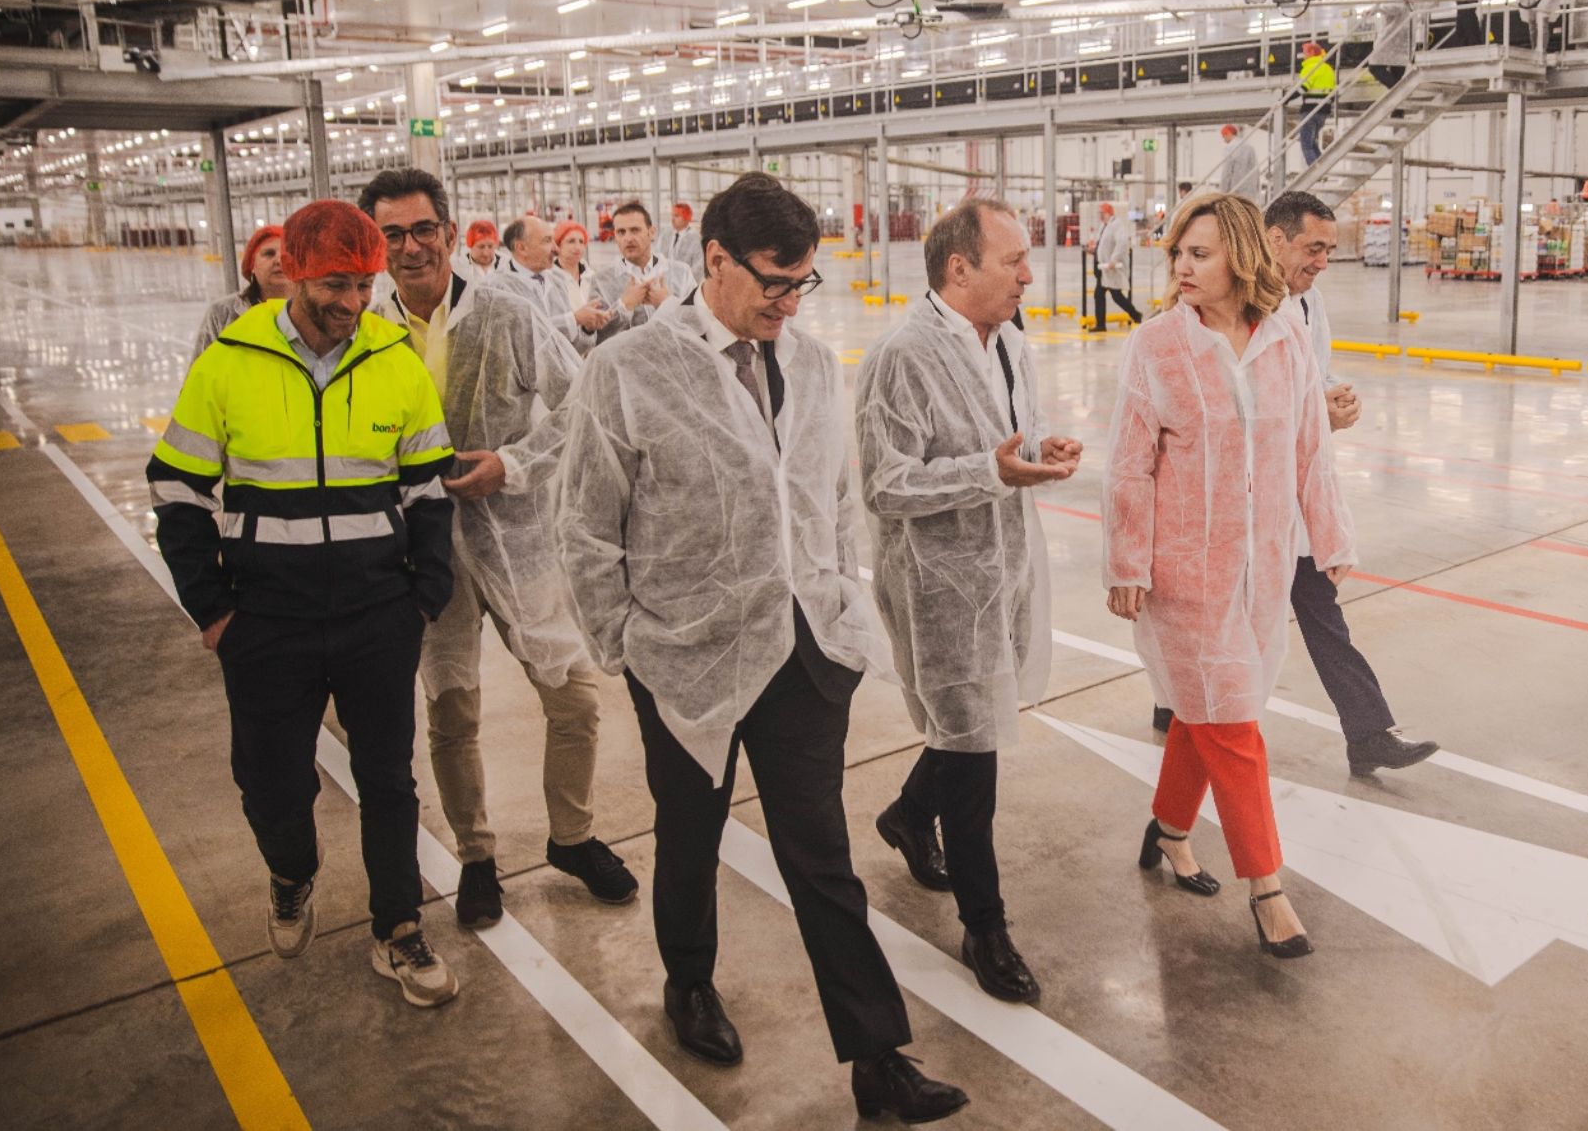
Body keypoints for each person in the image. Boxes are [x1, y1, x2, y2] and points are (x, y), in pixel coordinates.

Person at [553, 172, 967, 1123]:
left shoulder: (814, 365)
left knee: (821, 855)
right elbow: (586, 525)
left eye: (802, 282)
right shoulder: (630, 368)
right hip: (683, 654)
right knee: (689, 834)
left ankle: (877, 1055)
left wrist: (840, 607)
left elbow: (829, 499)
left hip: (802, 650)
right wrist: (625, 646)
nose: (790, 302)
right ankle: (689, 981)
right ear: (715, 261)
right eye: (775, 282)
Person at [145, 200, 461, 1006]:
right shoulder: (230, 360)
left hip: (378, 615)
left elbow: (428, 488)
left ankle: (398, 927)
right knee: (272, 782)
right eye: (335, 284)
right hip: (266, 621)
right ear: (292, 271)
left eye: (363, 284)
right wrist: (213, 610)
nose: (353, 302)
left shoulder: (393, 358)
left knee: (389, 780)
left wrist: (424, 596)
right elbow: (177, 489)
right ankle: (291, 872)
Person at [360, 167, 638, 931]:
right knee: (451, 711)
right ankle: (477, 855)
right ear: (376, 246)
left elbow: (581, 404)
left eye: (424, 229)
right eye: (392, 234)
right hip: (422, 552)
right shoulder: (367, 332)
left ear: (450, 234)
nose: (411, 247)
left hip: (517, 534)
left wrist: (511, 465)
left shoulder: (506, 311)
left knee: (574, 697)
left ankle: (571, 836)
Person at [1102, 191, 1357, 961]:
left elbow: (1310, 447)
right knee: (1234, 724)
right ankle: (1267, 887)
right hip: (1183, 573)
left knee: (1206, 709)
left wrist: (1331, 536)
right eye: (1178, 253)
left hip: (1262, 568)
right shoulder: (1156, 346)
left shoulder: (1286, 338)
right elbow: (1129, 465)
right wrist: (1126, 561)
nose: (1182, 267)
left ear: (1239, 257)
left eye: (1200, 253)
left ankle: (1169, 829)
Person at [856, 198, 1081, 1007]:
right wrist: (991, 470)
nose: (1028, 276)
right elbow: (885, 483)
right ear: (959, 268)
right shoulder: (902, 357)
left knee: (969, 727)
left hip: (1002, 568)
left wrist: (1041, 446)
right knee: (974, 751)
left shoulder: (1009, 341)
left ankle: (908, 815)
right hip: (939, 586)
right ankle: (985, 926)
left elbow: (1010, 435)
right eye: (1013, 261)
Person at [1151, 192, 1438, 777]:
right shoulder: (1219, 310)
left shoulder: (1309, 305)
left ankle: (1368, 731)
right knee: (1213, 629)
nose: (1323, 262)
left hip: (1287, 500)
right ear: (1275, 240)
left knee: (1320, 609)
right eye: (1314, 248)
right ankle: (1177, 708)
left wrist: (1333, 401)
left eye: (1329, 250)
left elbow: (1313, 376)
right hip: (1230, 511)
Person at [499, 213, 608, 353]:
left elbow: (571, 349)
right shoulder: (497, 289)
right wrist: (574, 319)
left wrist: (587, 329)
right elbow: (518, 341)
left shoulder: (557, 281)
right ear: (521, 248)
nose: (556, 249)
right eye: (547, 241)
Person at [590, 201, 695, 343]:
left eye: (635, 230)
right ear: (615, 236)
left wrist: (668, 304)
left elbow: (699, 325)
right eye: (621, 232)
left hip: (675, 357)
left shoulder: (681, 273)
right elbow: (595, 337)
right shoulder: (601, 281)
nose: (628, 238)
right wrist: (623, 306)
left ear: (651, 232)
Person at [193, 224, 292, 357]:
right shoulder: (222, 313)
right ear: (252, 265)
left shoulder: (312, 312)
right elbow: (201, 365)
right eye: (269, 254)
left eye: (287, 254)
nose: (279, 260)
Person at [1092, 203, 1141, 330]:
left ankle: (1136, 315)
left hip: (1111, 268)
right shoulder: (1104, 226)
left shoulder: (1116, 225)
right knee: (1100, 295)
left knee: (1116, 296)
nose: (1100, 216)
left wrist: (1114, 259)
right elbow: (1102, 244)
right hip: (1103, 268)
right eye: (1100, 213)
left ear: (1109, 213)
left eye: (1102, 213)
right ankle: (1101, 324)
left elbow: (1122, 243)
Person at [1296, 41, 1338, 166]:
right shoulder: (1328, 69)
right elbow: (1333, 92)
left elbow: (1303, 88)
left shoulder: (1310, 68)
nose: (1303, 56)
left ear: (1312, 52)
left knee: (1306, 144)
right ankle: (1321, 167)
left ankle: (1315, 171)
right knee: (1312, 143)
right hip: (1323, 111)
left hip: (1310, 110)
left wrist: (1284, 99)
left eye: (1305, 52)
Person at [552, 220, 596, 314]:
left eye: (581, 242)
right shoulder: (549, 279)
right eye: (571, 241)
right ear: (558, 245)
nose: (578, 247)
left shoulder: (591, 276)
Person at [659, 200, 705, 281]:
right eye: (672, 215)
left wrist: (685, 281)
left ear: (686, 218)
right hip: (665, 281)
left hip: (686, 283)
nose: (672, 219)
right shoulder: (666, 235)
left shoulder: (695, 239)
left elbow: (699, 266)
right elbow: (658, 256)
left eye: (676, 216)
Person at [1214, 124, 1260, 198]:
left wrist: (1223, 192)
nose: (1223, 139)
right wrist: (1257, 186)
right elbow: (1256, 169)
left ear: (1228, 133)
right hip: (1250, 190)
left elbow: (1227, 172)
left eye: (1223, 136)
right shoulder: (1250, 147)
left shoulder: (1229, 148)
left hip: (1235, 190)